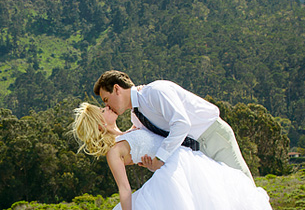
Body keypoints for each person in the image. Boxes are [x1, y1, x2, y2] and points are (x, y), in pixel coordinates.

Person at [71, 102, 289, 210]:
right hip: (173, 175)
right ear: (99, 124)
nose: (107, 107)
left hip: (183, 164)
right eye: (102, 109)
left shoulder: (131, 129)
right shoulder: (113, 152)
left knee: (217, 208)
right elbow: (124, 189)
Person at [94, 70, 253, 180]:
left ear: (117, 89)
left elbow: (182, 124)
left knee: (244, 186)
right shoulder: (136, 116)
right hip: (197, 152)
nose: (107, 106)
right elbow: (141, 137)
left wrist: (161, 158)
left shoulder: (156, 91)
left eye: (106, 100)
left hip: (212, 137)